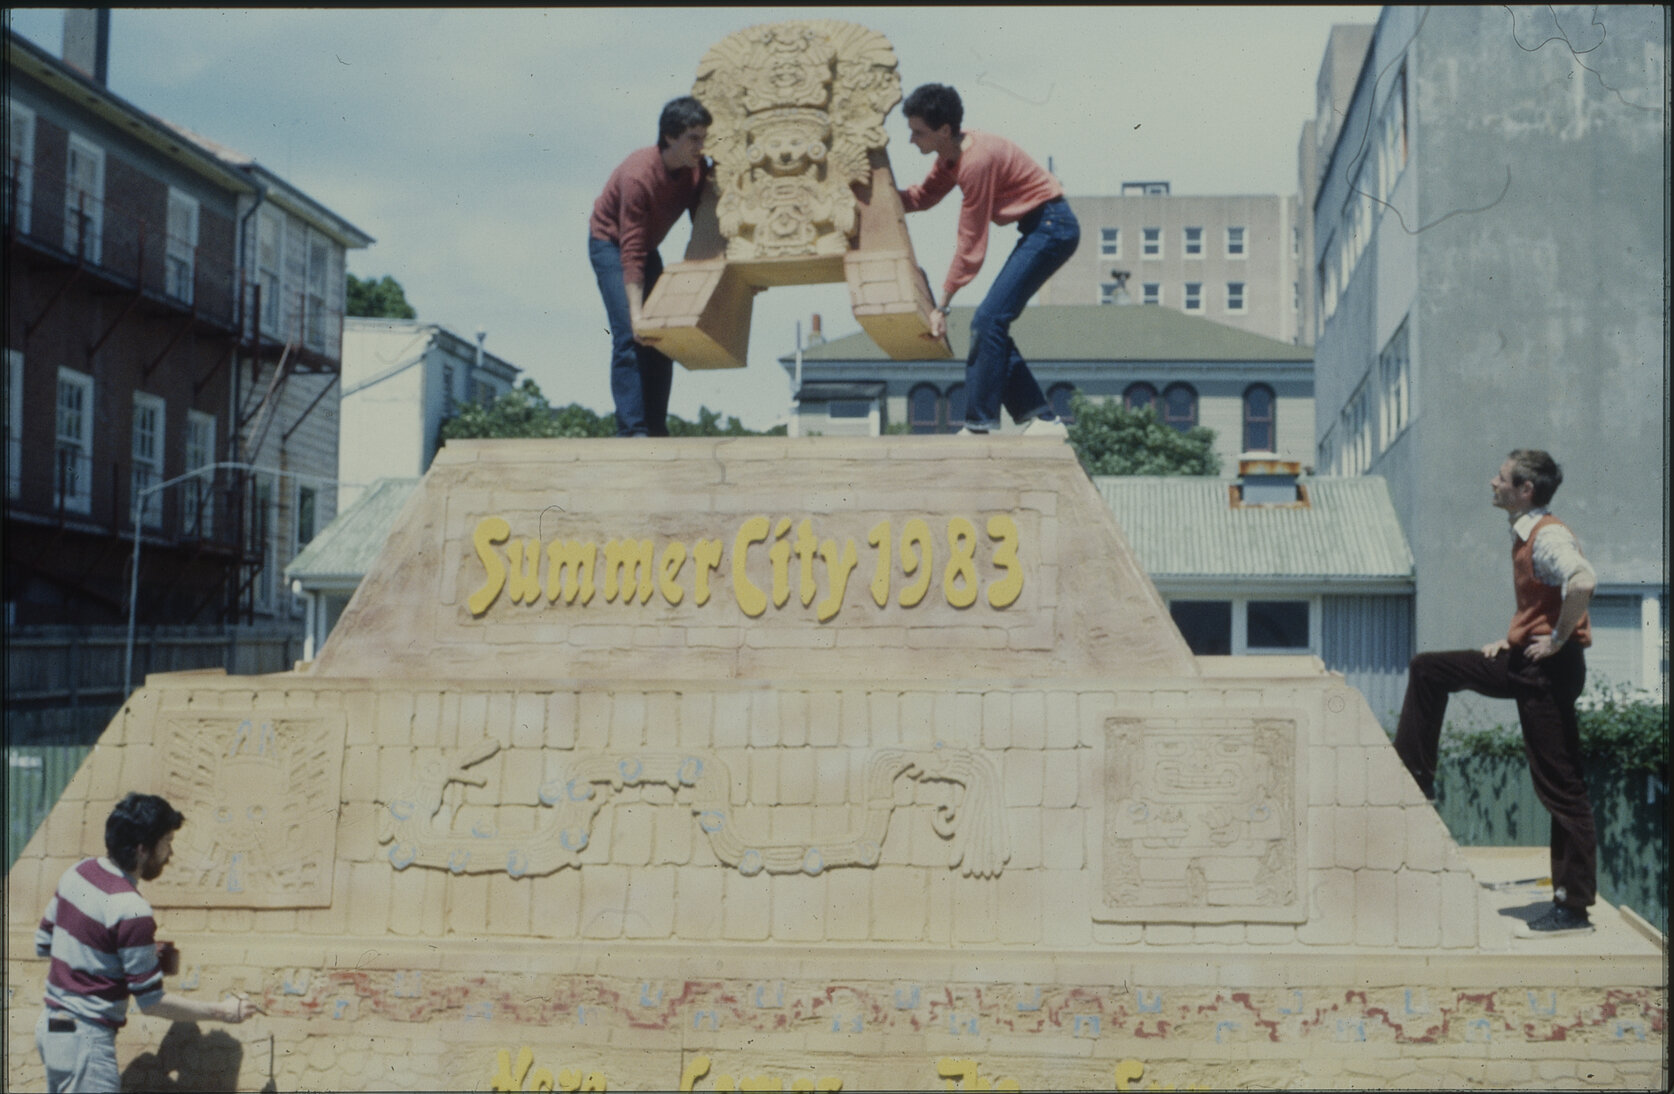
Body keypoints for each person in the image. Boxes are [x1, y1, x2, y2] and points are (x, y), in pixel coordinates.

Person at [1393, 450, 1599, 935]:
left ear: (1525, 489)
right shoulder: (1526, 531)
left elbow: (1583, 582)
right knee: (1429, 670)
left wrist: (1557, 639)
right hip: (1527, 661)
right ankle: (1413, 783)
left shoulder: (1547, 536)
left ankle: (1574, 908)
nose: (1492, 483)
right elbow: (1543, 603)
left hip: (1548, 670)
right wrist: (1514, 640)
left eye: (1501, 479)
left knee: (1561, 788)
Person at [35, 792, 256, 1092]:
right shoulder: (131, 908)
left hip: (52, 1030)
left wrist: (117, 955)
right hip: (87, 1042)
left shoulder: (78, 872)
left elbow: (45, 942)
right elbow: (152, 1002)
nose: (170, 852)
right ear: (142, 850)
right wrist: (222, 1011)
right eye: (166, 842)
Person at [897, 83, 1074, 436]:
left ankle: (980, 425)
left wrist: (941, 304)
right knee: (991, 324)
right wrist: (872, 195)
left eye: (918, 133)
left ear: (944, 130)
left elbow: (970, 242)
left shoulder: (975, 162)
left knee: (988, 322)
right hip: (1042, 227)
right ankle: (1041, 419)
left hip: (1052, 227)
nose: (912, 140)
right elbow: (922, 197)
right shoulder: (950, 155)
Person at [589, 95, 712, 437]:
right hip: (611, 245)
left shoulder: (696, 169)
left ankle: (656, 428)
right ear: (670, 137)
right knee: (631, 333)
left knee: (662, 335)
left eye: (704, 138)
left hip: (647, 247)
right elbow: (631, 251)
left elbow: (703, 223)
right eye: (694, 139)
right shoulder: (638, 176)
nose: (701, 147)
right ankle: (631, 430)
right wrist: (637, 312)